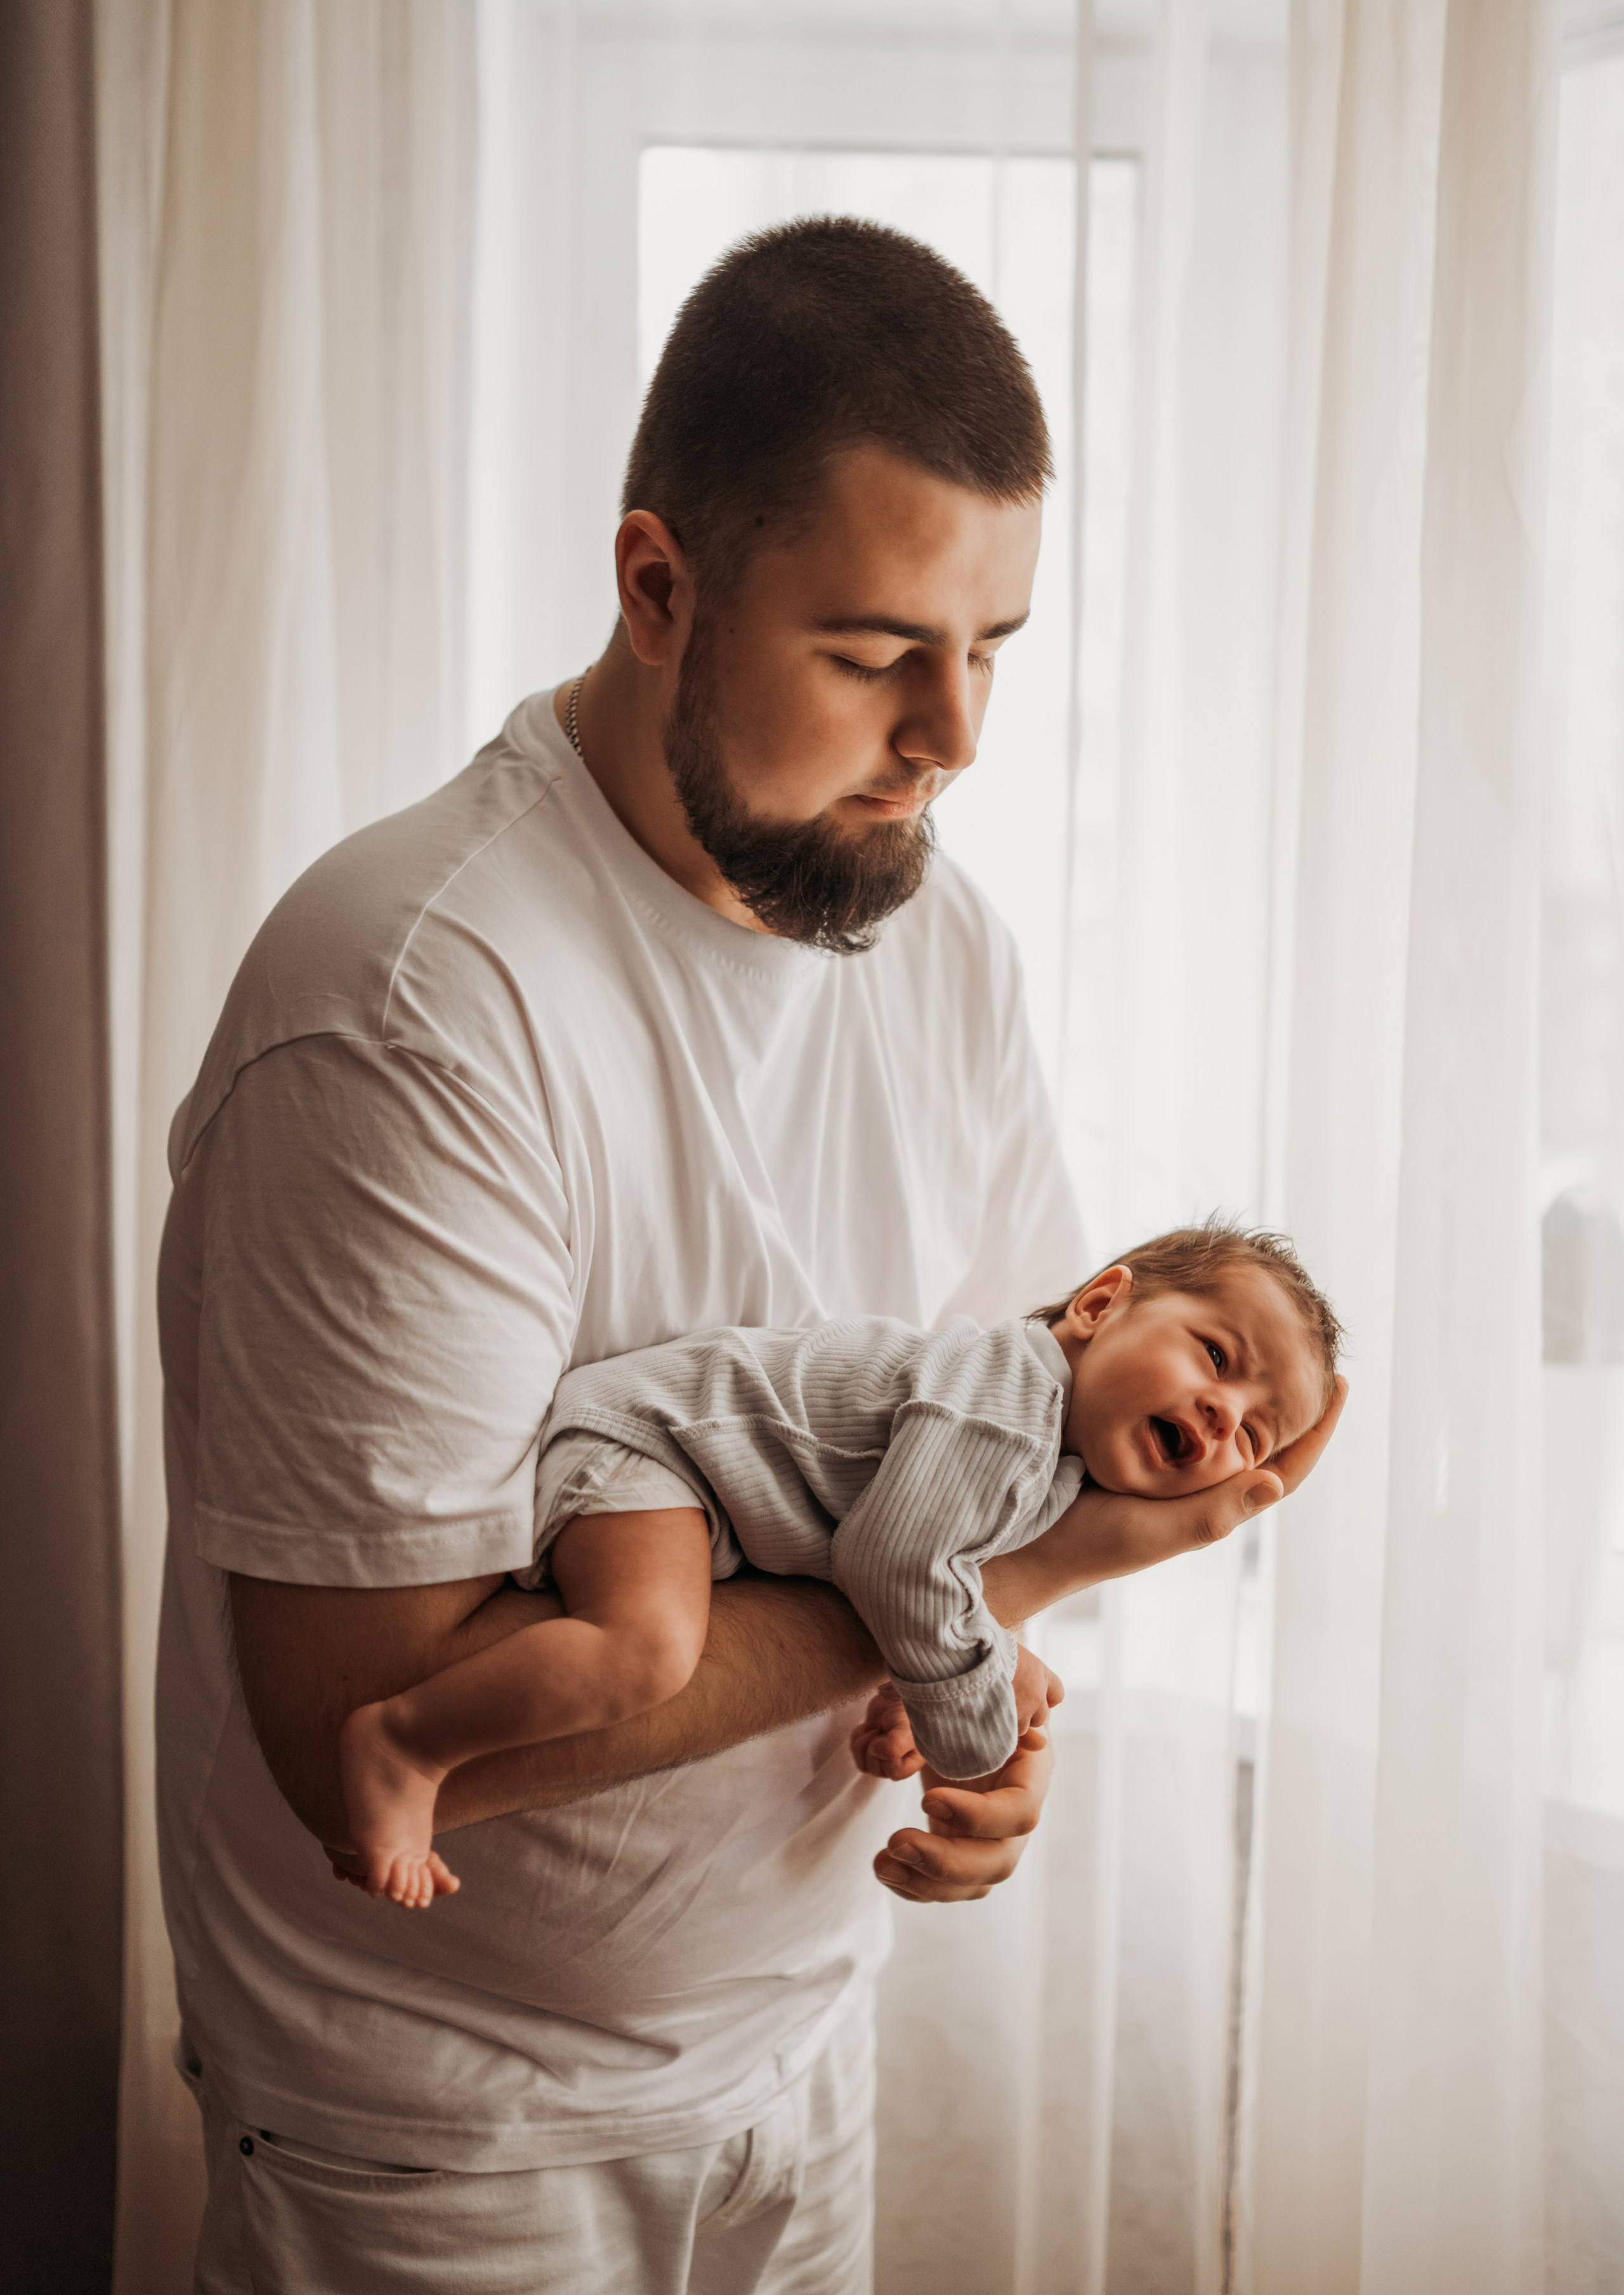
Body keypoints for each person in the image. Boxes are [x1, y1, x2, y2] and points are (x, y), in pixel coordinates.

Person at [157, 217, 1344, 2295]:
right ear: (657, 586)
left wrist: (987, 1721)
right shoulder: (419, 1000)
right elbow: (353, 1710)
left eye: (997, 651)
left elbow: (986, 1416)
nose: (954, 734)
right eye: (881, 650)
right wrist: (1013, 1582)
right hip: (445, 2129)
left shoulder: (934, 926)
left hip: (796, 2053)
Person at [337, 1226, 1344, 1909]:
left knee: (1004, 1665)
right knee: (644, 1648)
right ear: (1098, 1306)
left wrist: (957, 1669)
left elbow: (941, 1567)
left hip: (711, 1498)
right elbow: (898, 1560)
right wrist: (970, 1734)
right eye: (1216, 1358)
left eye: (1257, 1435)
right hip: (653, 1447)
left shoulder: (1049, 1462)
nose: (1225, 1417)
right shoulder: (1004, 1401)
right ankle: (406, 1742)